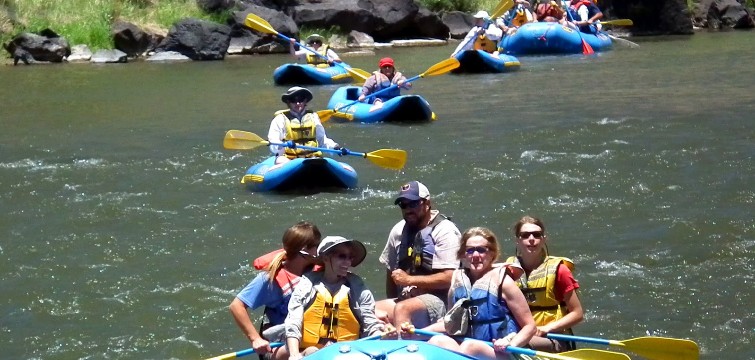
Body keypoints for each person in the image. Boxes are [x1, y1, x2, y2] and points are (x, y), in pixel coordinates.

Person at [407, 227, 537, 359]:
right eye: (470, 250)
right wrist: (416, 333)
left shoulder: (504, 282)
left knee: (471, 347)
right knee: (438, 341)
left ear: (492, 253)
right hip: (467, 349)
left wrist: (510, 343)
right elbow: (451, 324)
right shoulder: (457, 283)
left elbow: (530, 326)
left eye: (481, 250)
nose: (475, 255)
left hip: (503, 352)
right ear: (463, 255)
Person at [376, 181, 462, 332]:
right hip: (407, 298)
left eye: (413, 204)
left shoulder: (445, 231)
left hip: (440, 300)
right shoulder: (398, 231)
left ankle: (404, 351)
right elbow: (391, 273)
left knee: (403, 309)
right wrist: (392, 301)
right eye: (403, 205)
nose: (408, 209)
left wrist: (410, 280)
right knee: (372, 311)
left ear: (427, 203)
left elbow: (451, 277)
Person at [229, 221, 323, 360]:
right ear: (304, 251)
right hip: (278, 345)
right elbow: (236, 306)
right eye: (317, 246)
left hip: (311, 335)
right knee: (312, 352)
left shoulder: (319, 272)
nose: (321, 251)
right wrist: (255, 339)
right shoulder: (270, 279)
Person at [284, 236, 384, 359]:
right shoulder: (307, 284)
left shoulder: (357, 286)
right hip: (311, 353)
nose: (347, 262)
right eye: (342, 256)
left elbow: (370, 323)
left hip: (349, 354)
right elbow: (293, 321)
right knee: (312, 351)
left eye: (350, 257)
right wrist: (294, 354)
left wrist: (380, 337)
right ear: (326, 258)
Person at [505, 216, 584, 352]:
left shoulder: (560, 270)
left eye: (536, 235)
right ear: (517, 240)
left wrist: (547, 328)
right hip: (518, 334)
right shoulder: (509, 270)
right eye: (525, 235)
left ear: (543, 239)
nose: (531, 239)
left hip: (553, 338)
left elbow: (577, 314)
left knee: (518, 343)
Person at [267, 86, 347, 165]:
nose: (298, 103)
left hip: (312, 158)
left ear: (305, 101)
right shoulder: (280, 119)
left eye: (300, 100)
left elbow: (322, 140)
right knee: (280, 160)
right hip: (289, 160)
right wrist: (283, 145)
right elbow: (273, 142)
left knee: (320, 161)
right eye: (293, 100)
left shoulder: (313, 117)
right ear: (288, 102)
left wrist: (336, 147)